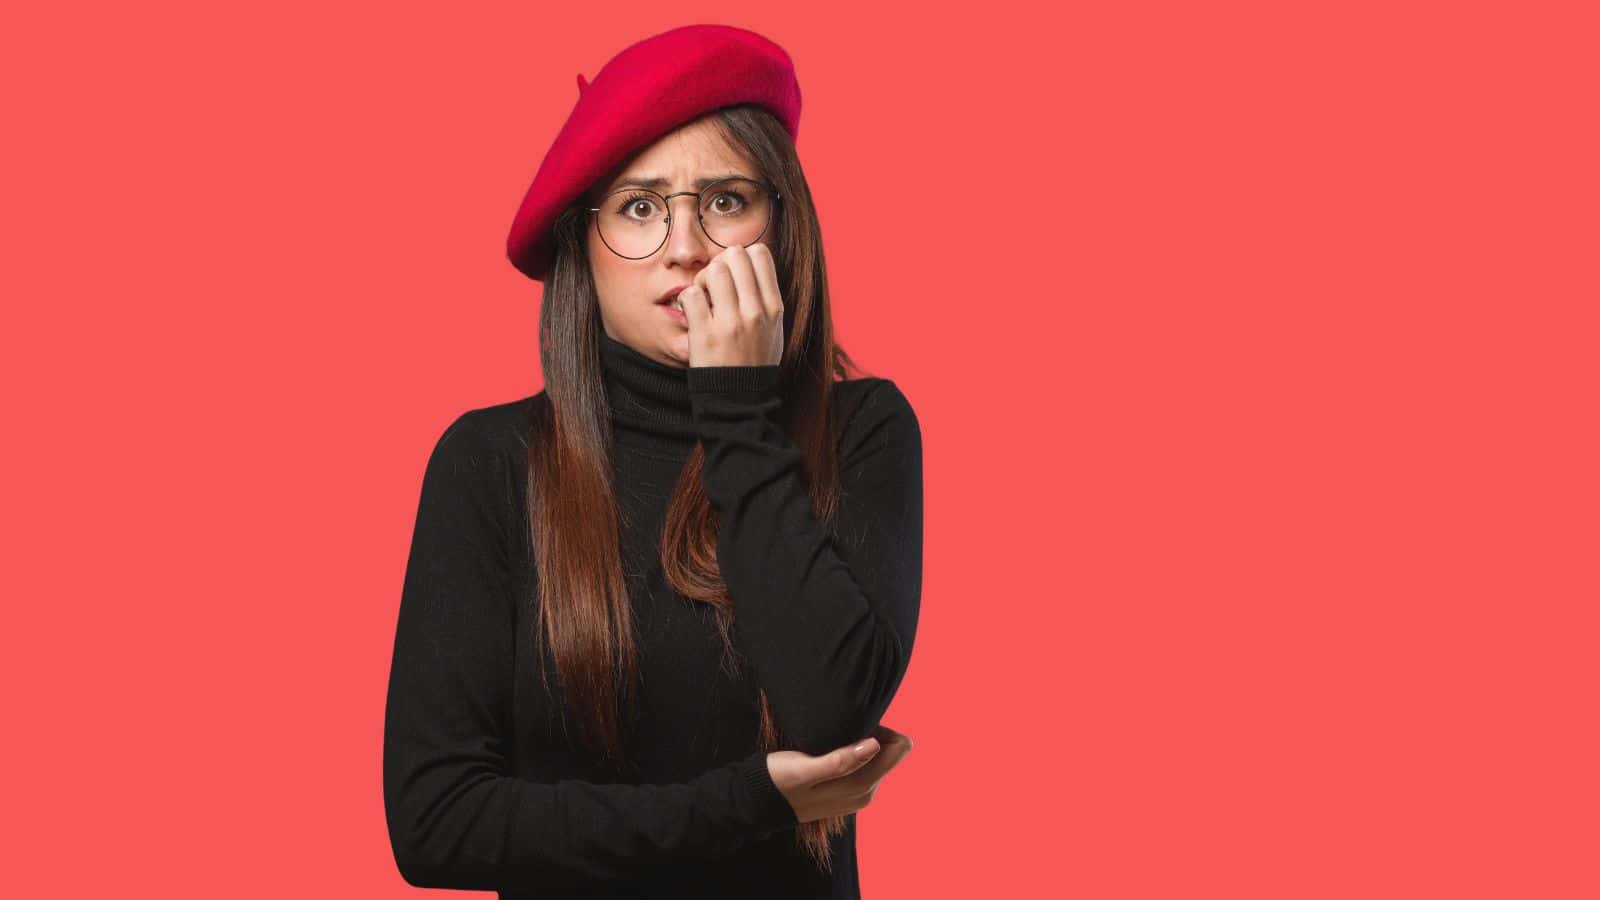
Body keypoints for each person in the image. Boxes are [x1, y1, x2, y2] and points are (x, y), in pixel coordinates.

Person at [383, 24, 922, 899]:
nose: (684, 246)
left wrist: (740, 414)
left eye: (724, 199)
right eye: (640, 206)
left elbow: (830, 717)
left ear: (782, 225)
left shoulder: (864, 429)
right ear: (584, 247)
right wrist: (747, 802)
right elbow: (437, 824)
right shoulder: (489, 463)